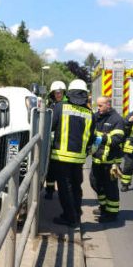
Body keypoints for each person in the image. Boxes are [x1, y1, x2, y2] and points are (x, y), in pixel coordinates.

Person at [49, 79, 95, 226]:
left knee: (65, 189)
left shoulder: (60, 107)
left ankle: (70, 218)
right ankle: (75, 213)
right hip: (79, 159)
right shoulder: (89, 113)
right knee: (76, 188)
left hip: (61, 157)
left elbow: (50, 127)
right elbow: (91, 137)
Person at [89, 96, 125, 222]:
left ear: (108, 105)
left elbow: (117, 139)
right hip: (97, 159)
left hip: (111, 161)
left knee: (110, 188)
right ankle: (104, 207)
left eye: (100, 106)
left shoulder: (117, 119)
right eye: (97, 105)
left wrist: (101, 138)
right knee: (95, 183)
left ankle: (112, 213)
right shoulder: (96, 116)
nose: (98, 108)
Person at [45, 81, 67, 200]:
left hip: (63, 142)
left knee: (62, 171)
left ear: (64, 92)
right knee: (51, 169)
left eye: (60, 92)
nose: (58, 94)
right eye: (55, 92)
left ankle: (63, 193)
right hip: (52, 142)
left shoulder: (67, 105)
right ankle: (49, 190)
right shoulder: (51, 105)